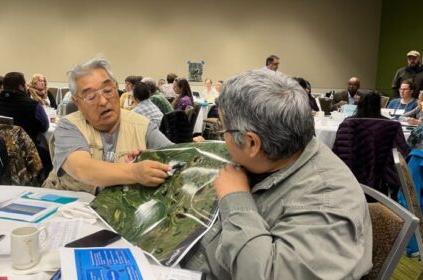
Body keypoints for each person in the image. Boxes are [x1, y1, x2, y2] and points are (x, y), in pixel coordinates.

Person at [182, 70, 372, 279]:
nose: (223, 138)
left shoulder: (327, 205)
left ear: (252, 143)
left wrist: (235, 199)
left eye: (223, 129)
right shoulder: (282, 151)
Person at [42, 59, 172, 194]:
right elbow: (82, 168)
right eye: (91, 97)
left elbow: (178, 157)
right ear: (77, 102)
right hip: (69, 210)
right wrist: (135, 171)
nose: (103, 101)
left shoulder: (142, 126)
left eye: (108, 90)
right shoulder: (68, 126)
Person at [0, 72, 49, 143]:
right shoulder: (33, 106)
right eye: (25, 84)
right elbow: (44, 126)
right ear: (21, 87)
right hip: (25, 150)